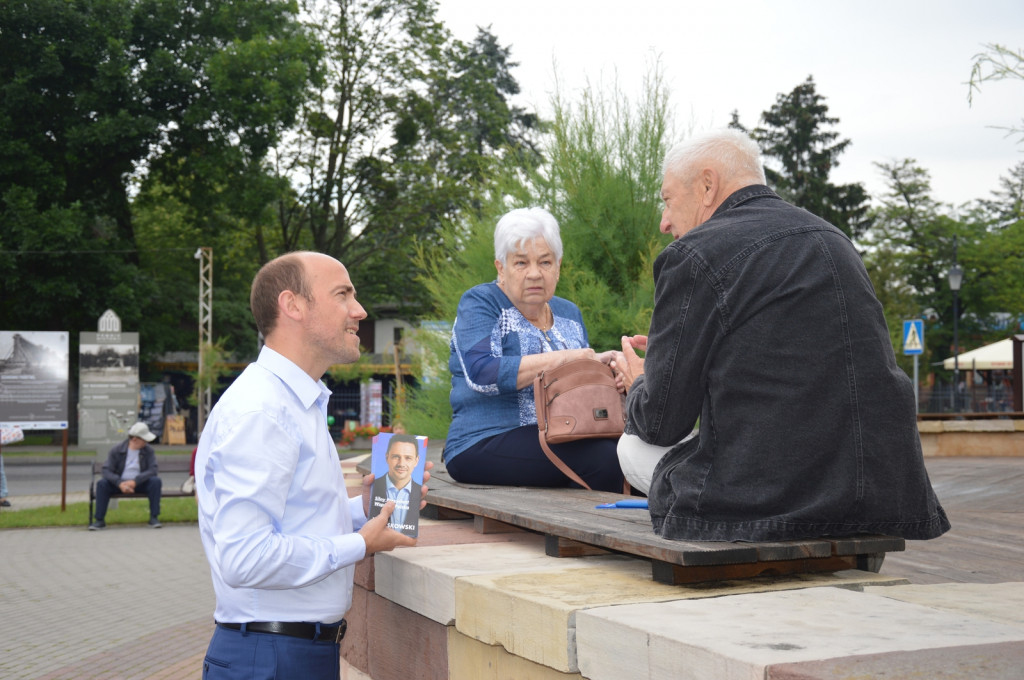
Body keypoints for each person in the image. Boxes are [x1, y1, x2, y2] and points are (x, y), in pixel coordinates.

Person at [612, 129, 950, 543]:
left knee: (630, 448)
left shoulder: (694, 254)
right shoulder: (834, 239)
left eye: (667, 199)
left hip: (766, 501)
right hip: (881, 493)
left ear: (706, 184)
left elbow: (661, 423)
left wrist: (642, 380)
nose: (664, 222)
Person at [194, 251, 429, 680]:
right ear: (293, 306)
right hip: (271, 658)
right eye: (343, 294)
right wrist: (360, 544)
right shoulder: (263, 411)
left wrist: (374, 505)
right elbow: (245, 557)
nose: (359, 311)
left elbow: (300, 517)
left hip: (287, 652)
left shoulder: (296, 402)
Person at [443, 207, 625, 492]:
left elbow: (580, 385)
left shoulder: (569, 313)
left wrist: (603, 366)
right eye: (520, 263)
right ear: (500, 267)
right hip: (483, 439)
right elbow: (482, 372)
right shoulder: (481, 303)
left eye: (545, 262)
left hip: (566, 433)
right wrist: (567, 358)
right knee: (603, 460)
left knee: (631, 453)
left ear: (558, 266)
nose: (534, 274)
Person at [89, 421, 163, 530]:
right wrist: (120, 483)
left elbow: (153, 469)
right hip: (119, 484)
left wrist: (135, 482)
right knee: (102, 484)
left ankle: (154, 517)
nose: (146, 442)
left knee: (155, 482)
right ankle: (99, 520)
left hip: (140, 483)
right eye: (144, 440)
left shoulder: (148, 451)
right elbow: (106, 470)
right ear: (134, 439)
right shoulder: (117, 450)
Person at [371, 433, 422, 536]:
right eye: (396, 457)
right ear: (387, 458)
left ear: (416, 461)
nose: (401, 464)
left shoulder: (420, 491)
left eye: (408, 458)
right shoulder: (374, 488)